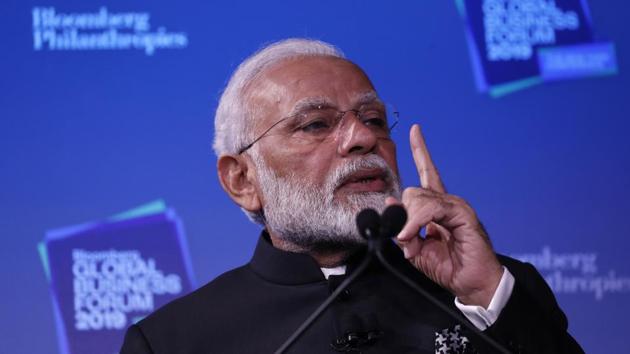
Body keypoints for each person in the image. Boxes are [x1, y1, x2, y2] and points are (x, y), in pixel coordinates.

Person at [120, 38, 584, 353]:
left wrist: (486, 293)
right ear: (242, 180)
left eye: (375, 120)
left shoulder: (499, 290)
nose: (362, 137)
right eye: (317, 124)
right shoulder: (173, 342)